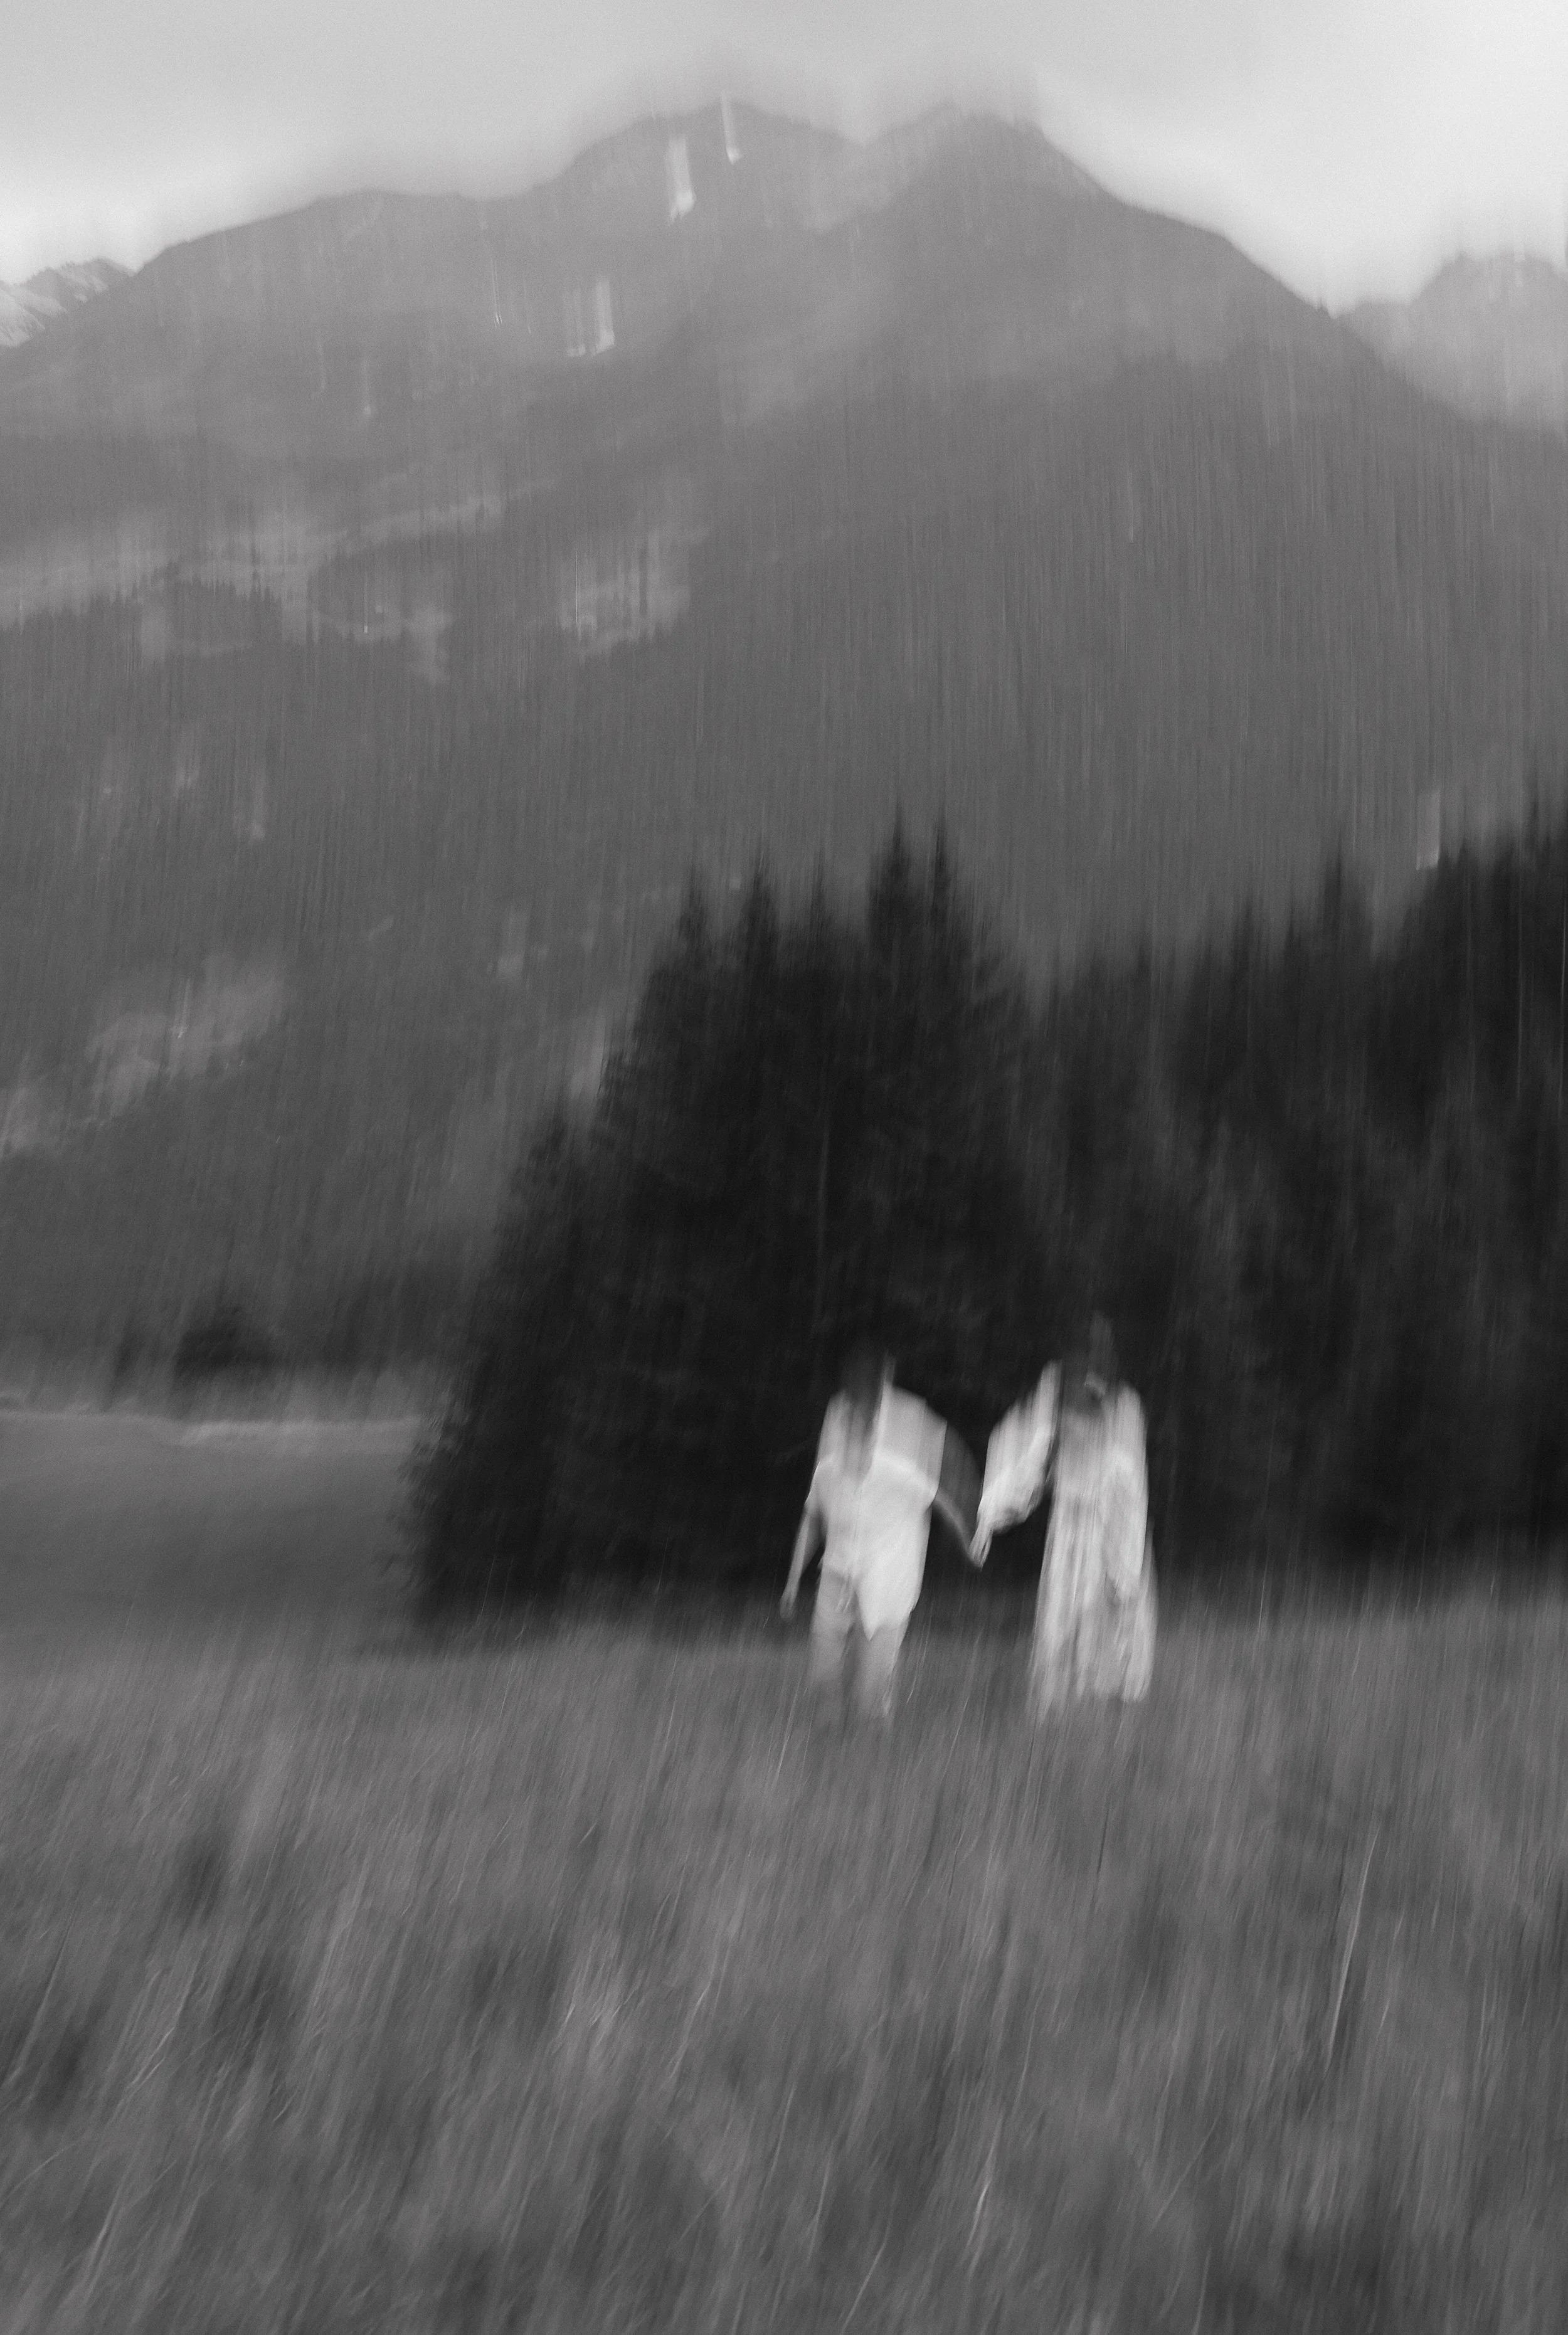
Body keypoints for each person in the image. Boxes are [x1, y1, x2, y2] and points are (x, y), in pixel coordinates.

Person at [781, 1340, 978, 1725]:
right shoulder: (829, 1463)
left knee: (874, 1680)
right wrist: (793, 1581)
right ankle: (827, 1735)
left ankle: (872, 1738)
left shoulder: (897, 1450)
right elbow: (812, 1516)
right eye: (848, 1417)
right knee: (824, 1668)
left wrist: (967, 1540)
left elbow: (938, 1498)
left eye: (858, 1417)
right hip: (839, 1572)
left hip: (888, 1573)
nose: (849, 1420)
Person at [972, 1315, 1156, 1716]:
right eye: (1086, 1346)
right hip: (1070, 1525)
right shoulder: (1055, 1392)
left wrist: (1124, 1552)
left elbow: (1129, 1477)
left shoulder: (1124, 1404)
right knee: (1061, 1620)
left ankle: (1108, 1714)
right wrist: (993, 1509)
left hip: (1112, 1521)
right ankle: (1056, 1712)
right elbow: (1028, 1450)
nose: (1091, 1355)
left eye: (1098, 1346)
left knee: (1111, 1615)